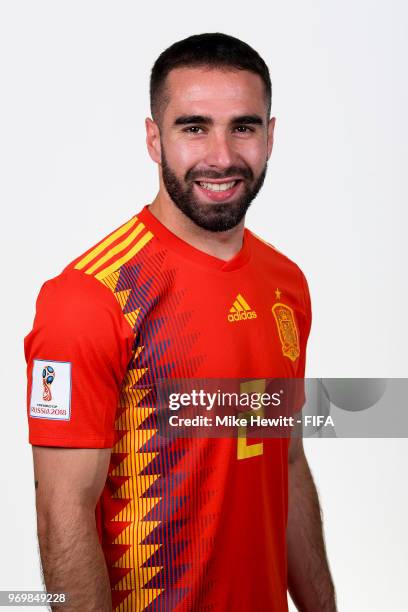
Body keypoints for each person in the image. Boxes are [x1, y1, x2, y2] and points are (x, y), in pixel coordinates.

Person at [25, 33, 336, 612]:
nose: (221, 155)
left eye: (243, 126)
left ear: (270, 137)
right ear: (153, 139)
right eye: (194, 127)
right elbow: (60, 513)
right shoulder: (92, 297)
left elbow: (286, 459)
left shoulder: (285, 282)